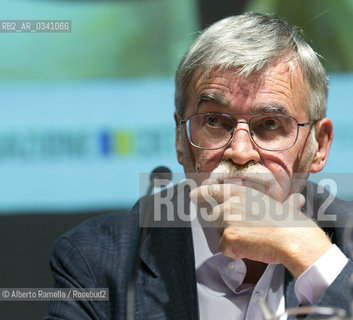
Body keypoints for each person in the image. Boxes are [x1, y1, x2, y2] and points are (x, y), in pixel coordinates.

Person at [46, 12, 353, 319]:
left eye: (270, 124)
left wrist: (311, 253)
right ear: (181, 138)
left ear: (320, 145)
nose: (240, 152)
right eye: (215, 121)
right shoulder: (99, 261)